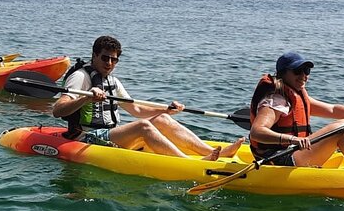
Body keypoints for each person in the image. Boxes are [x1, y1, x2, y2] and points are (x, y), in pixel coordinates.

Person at [52, 36, 243, 160]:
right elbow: (58, 110)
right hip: (87, 138)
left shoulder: (112, 81)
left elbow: (136, 109)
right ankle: (188, 163)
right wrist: (86, 99)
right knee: (143, 126)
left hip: (109, 134)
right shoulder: (81, 77)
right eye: (105, 58)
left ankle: (210, 153)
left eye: (114, 59)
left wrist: (167, 110)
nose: (109, 63)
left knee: (162, 119)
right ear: (94, 55)